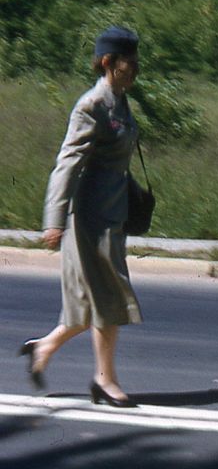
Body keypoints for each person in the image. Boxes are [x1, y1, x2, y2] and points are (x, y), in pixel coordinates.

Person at [19, 26, 144, 408]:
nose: (135, 67)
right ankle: (105, 380)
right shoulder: (92, 104)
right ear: (108, 62)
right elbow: (67, 164)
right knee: (107, 298)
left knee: (86, 303)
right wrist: (53, 220)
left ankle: (44, 347)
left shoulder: (120, 101)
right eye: (129, 61)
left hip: (111, 213)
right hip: (91, 220)